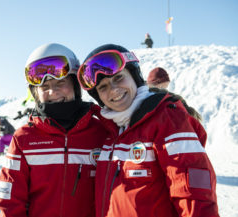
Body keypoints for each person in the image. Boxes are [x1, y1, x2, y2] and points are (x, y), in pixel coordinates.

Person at [77, 44, 219, 217]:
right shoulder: (111, 132)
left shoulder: (167, 119)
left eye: (118, 78)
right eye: (103, 87)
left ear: (135, 76)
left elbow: (195, 194)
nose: (113, 90)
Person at [0, 43, 108, 217]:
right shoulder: (24, 139)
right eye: (44, 87)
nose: (52, 91)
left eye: (60, 83)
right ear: (35, 92)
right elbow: (10, 202)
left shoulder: (102, 133)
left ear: (75, 85)